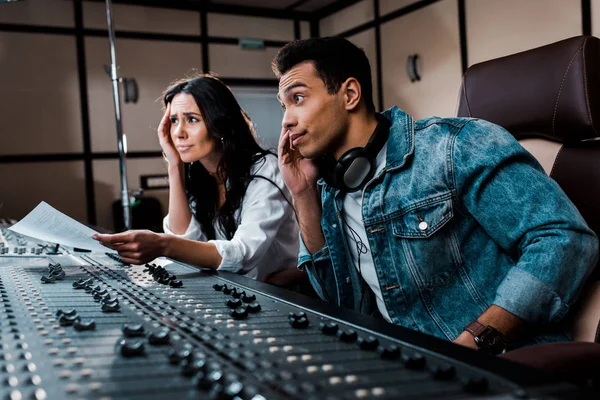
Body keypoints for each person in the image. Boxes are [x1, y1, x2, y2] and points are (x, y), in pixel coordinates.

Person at [273, 37, 598, 352]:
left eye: (298, 98)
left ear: (350, 94)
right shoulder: (332, 187)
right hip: (401, 363)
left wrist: (477, 340)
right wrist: (302, 193)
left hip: (494, 363)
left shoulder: (456, 146)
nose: (286, 120)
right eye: (283, 105)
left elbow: (564, 240)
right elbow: (338, 300)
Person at [93, 74, 300, 283]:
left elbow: (242, 254)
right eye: (174, 121)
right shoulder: (199, 174)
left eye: (192, 119)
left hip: (279, 293)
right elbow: (189, 246)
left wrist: (164, 244)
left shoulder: (266, 169)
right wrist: (174, 165)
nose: (179, 132)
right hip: (232, 288)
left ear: (220, 124)